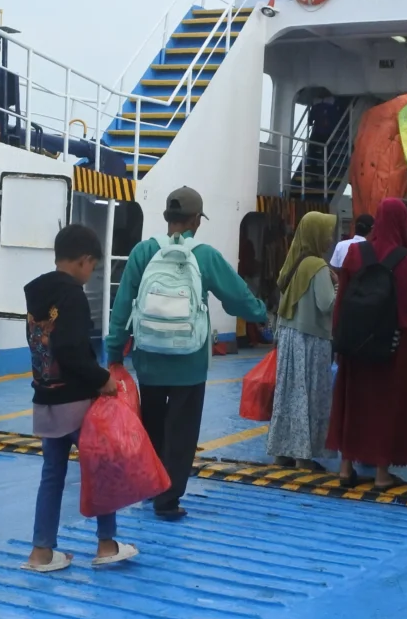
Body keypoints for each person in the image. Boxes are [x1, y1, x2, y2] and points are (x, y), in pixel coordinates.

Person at [106, 187, 268, 520]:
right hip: (190, 361)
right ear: (196, 220)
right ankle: (167, 501)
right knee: (181, 432)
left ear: (168, 219)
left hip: (149, 357)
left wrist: (113, 353)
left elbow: (122, 306)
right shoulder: (204, 255)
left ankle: (150, 486)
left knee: (152, 424)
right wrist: (260, 312)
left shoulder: (143, 252)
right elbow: (237, 297)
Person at [22, 225, 137, 572]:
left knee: (52, 473)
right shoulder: (72, 295)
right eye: (93, 268)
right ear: (85, 261)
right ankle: (106, 544)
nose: (91, 275)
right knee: (101, 467)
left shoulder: (37, 293)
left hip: (45, 399)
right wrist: (102, 380)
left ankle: (41, 552)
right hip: (76, 401)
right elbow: (72, 350)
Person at [328, 197, 407, 488]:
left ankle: (346, 468)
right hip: (392, 345)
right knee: (386, 405)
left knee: (353, 401)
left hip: (354, 342)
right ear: (402, 222)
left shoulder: (355, 253)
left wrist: (339, 339)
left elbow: (342, 301)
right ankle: (382, 474)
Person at [266, 212, 337, 470]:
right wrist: (340, 288)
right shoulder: (317, 266)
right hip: (311, 340)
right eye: (327, 233)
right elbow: (327, 303)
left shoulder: (293, 261)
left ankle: (281, 453)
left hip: (288, 337)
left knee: (289, 395)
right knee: (309, 394)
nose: (330, 239)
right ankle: (303, 458)